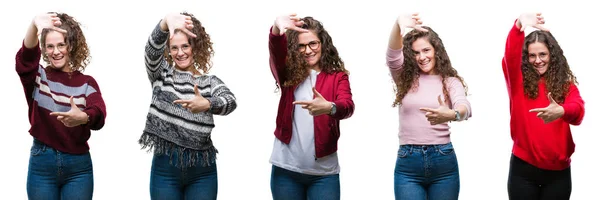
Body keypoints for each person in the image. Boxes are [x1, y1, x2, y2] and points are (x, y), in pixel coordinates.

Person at [138, 12, 237, 200]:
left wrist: (207, 103)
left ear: (196, 47)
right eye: (174, 48)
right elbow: (151, 51)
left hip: (202, 171)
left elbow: (230, 101)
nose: (180, 52)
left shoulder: (209, 82)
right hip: (165, 169)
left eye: (185, 46)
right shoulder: (161, 74)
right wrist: (165, 23)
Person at [16, 12, 107, 200]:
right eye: (50, 46)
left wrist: (83, 117)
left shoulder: (87, 83)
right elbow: (25, 61)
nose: (56, 51)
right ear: (44, 49)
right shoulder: (37, 78)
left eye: (61, 44)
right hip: (42, 165)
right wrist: (34, 25)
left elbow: (99, 112)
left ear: (70, 46)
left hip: (78, 168)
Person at [267, 14, 355, 200]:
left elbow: (347, 106)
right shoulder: (287, 74)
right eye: (301, 46)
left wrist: (330, 107)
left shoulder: (337, 76)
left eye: (313, 44)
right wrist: (276, 29)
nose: (307, 50)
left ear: (323, 44)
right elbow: (276, 54)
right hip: (286, 170)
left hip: (324, 174)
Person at [386, 13, 472, 200]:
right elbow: (392, 56)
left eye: (426, 50)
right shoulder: (405, 79)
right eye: (416, 53)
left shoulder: (450, 81)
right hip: (408, 164)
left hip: (443, 161)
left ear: (436, 50)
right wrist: (397, 26)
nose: (421, 57)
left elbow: (464, 107)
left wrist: (453, 114)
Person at [503, 13, 585, 200]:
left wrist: (562, 111)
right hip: (523, 171)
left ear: (552, 55)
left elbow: (578, 111)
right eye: (532, 55)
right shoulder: (518, 81)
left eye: (543, 54)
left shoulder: (565, 85)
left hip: (558, 174)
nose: (537, 60)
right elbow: (511, 54)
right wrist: (518, 26)